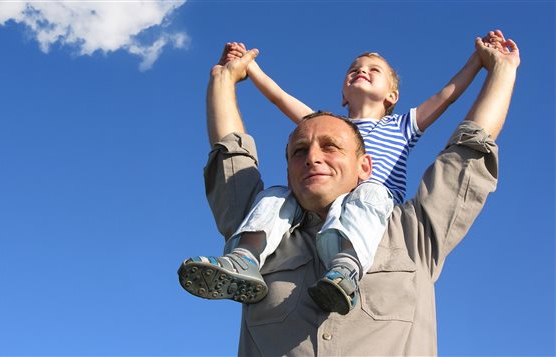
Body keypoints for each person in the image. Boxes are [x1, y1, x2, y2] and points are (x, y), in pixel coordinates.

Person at [180, 29, 519, 356]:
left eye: (331, 147)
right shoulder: (269, 215)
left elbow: (467, 140)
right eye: (299, 150)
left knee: (369, 194)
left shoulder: (414, 233)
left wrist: (489, 65)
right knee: (273, 196)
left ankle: (347, 264)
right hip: (285, 217)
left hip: (377, 207)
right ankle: (245, 259)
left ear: (364, 163)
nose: (313, 156)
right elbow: (234, 150)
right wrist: (235, 73)